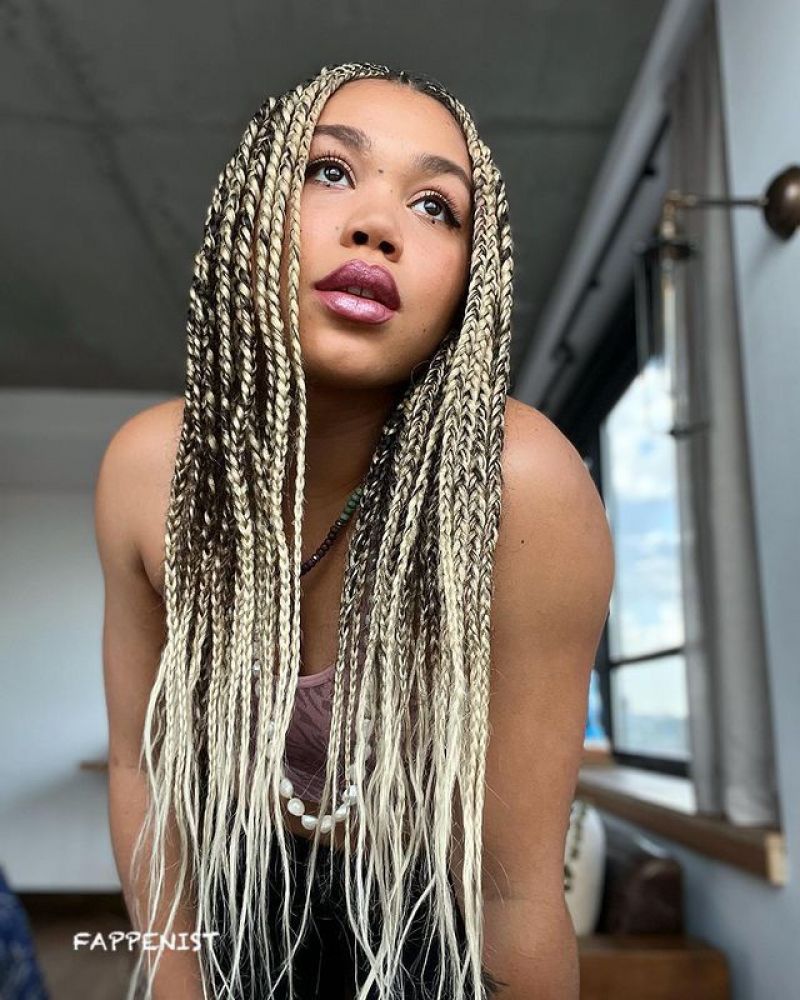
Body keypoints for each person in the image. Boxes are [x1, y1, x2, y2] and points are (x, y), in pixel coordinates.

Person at [94, 61, 614, 1000]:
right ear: (249, 215)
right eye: (329, 171)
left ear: (471, 287)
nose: (379, 224)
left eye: (436, 207)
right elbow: (140, 766)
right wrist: (176, 983)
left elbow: (515, 891)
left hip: (437, 942)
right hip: (230, 920)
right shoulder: (149, 470)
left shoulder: (522, 483)